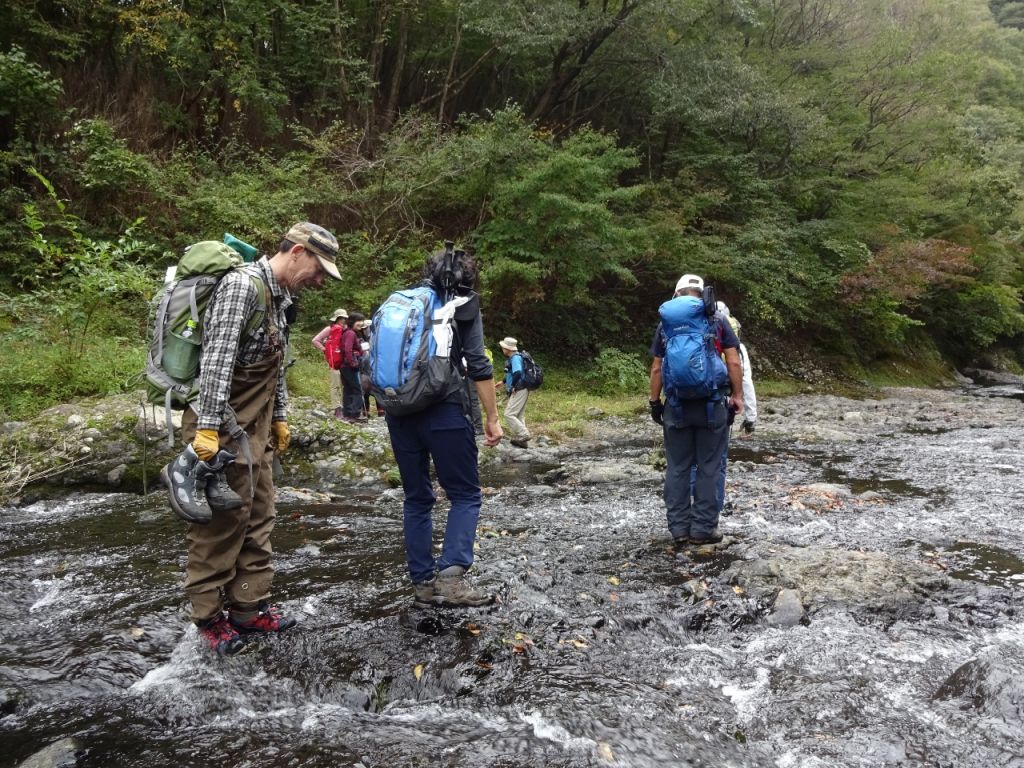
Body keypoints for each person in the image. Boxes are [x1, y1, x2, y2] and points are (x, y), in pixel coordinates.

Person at [169, 221, 342, 655]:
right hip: (220, 427)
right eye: (319, 269)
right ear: (297, 251)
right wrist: (207, 430)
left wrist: (280, 417)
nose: (320, 281)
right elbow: (216, 364)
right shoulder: (242, 288)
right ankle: (208, 617)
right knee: (220, 522)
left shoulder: (282, 299)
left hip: (257, 427)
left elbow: (275, 366)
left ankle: (248, 607)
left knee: (260, 513)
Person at [383, 248, 503, 607]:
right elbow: (478, 364)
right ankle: (451, 578)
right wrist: (492, 418)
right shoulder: (464, 305)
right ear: (468, 278)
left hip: (400, 410)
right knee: (465, 494)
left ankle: (421, 584)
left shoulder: (400, 301)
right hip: (445, 410)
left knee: (416, 498)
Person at [649, 273, 743, 546]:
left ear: (676, 294)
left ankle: (679, 529)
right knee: (709, 467)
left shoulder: (665, 325)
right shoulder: (717, 320)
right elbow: (734, 362)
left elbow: (657, 368)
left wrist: (655, 403)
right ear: (702, 296)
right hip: (713, 405)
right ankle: (703, 529)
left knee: (677, 467)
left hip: (676, 407)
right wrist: (737, 396)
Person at [688, 300, 759, 515]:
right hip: (721, 404)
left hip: (687, 403)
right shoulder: (735, 343)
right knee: (717, 460)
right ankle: (712, 509)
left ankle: (690, 504)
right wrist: (750, 416)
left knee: (691, 459)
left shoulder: (690, 336)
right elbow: (744, 380)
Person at [496, 337, 530, 448]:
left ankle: (524, 435)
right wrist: (504, 381)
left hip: (519, 388)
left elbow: (518, 372)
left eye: (503, 347)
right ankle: (523, 442)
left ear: (507, 348)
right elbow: (512, 372)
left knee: (509, 414)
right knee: (519, 415)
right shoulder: (515, 357)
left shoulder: (515, 358)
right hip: (523, 388)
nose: (502, 348)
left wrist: (514, 386)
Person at [312, 308, 347, 418]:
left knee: (346, 385)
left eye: (344, 318)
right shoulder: (329, 329)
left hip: (346, 361)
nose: (343, 320)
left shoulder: (347, 329)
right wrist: (325, 350)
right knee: (335, 384)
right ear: (336, 319)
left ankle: (346, 407)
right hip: (334, 361)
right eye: (341, 318)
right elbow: (315, 340)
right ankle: (337, 408)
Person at [339, 312, 366, 423]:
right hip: (349, 366)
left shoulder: (347, 332)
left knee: (348, 389)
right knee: (357, 390)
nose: (361, 323)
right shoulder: (351, 334)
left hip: (344, 365)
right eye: (358, 321)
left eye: (362, 321)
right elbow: (347, 349)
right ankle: (354, 414)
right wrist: (353, 363)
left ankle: (347, 414)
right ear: (352, 322)